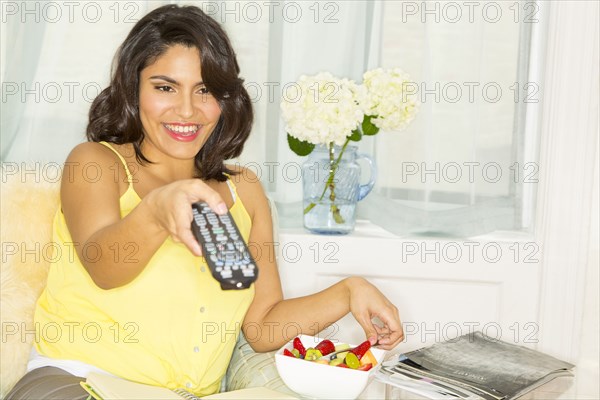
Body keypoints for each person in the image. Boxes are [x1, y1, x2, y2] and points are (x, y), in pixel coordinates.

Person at [6, 4, 403, 399]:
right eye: (165, 87)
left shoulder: (244, 191)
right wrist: (158, 210)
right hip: (79, 380)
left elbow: (262, 327)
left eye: (205, 90)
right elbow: (104, 267)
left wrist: (348, 292)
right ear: (133, 88)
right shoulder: (94, 163)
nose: (186, 110)